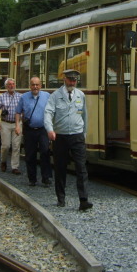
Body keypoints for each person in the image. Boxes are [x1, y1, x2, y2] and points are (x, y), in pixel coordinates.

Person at [44, 69, 92, 211]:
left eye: (75, 80)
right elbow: (48, 113)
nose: (73, 82)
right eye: (70, 80)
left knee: (81, 168)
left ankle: (84, 200)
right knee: (60, 168)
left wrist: (84, 134)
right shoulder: (55, 96)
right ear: (64, 80)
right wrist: (50, 129)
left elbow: (84, 115)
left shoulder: (80, 95)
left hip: (77, 135)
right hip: (61, 136)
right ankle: (61, 198)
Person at [15, 76, 52, 187]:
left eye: (37, 84)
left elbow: (52, 111)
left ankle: (46, 178)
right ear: (30, 86)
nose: (35, 87)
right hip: (29, 130)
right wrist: (17, 125)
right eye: (33, 84)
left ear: (40, 85)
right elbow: (17, 112)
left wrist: (52, 128)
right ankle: (32, 179)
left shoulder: (47, 96)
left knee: (45, 153)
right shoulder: (24, 97)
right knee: (30, 155)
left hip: (43, 130)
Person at [0, 78, 22, 174]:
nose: (11, 86)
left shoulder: (20, 96)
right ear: (6, 86)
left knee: (16, 145)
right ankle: (3, 161)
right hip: (5, 123)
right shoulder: (2, 97)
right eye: (9, 84)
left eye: (13, 84)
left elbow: (24, 110)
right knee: (6, 145)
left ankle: (15, 167)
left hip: (17, 123)